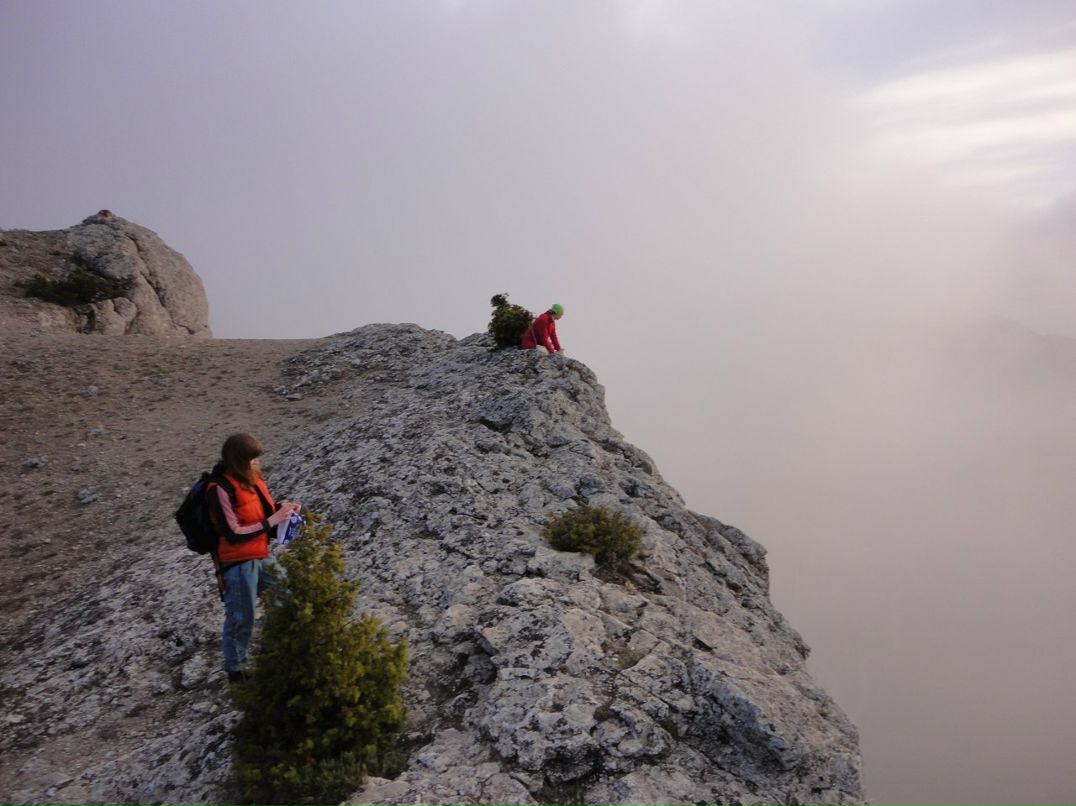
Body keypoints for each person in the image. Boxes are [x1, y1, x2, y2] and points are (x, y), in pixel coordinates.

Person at [207, 433, 301, 682]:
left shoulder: (254, 481)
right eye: (252, 459)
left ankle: (270, 653)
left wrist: (285, 511)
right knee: (242, 617)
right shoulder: (219, 489)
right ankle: (237, 672)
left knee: (285, 598)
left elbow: (267, 514)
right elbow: (233, 532)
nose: (257, 463)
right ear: (239, 460)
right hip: (237, 563)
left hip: (261, 555)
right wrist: (272, 519)